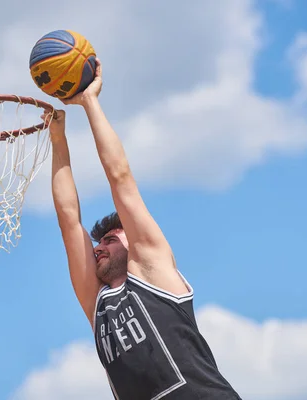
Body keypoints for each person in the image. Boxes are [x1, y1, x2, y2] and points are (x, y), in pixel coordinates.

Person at [45, 59, 241, 399]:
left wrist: (89, 101)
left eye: (109, 239)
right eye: (98, 242)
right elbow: (68, 219)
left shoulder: (151, 270)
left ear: (133, 245)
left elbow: (120, 178)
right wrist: (57, 139)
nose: (98, 247)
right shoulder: (98, 302)